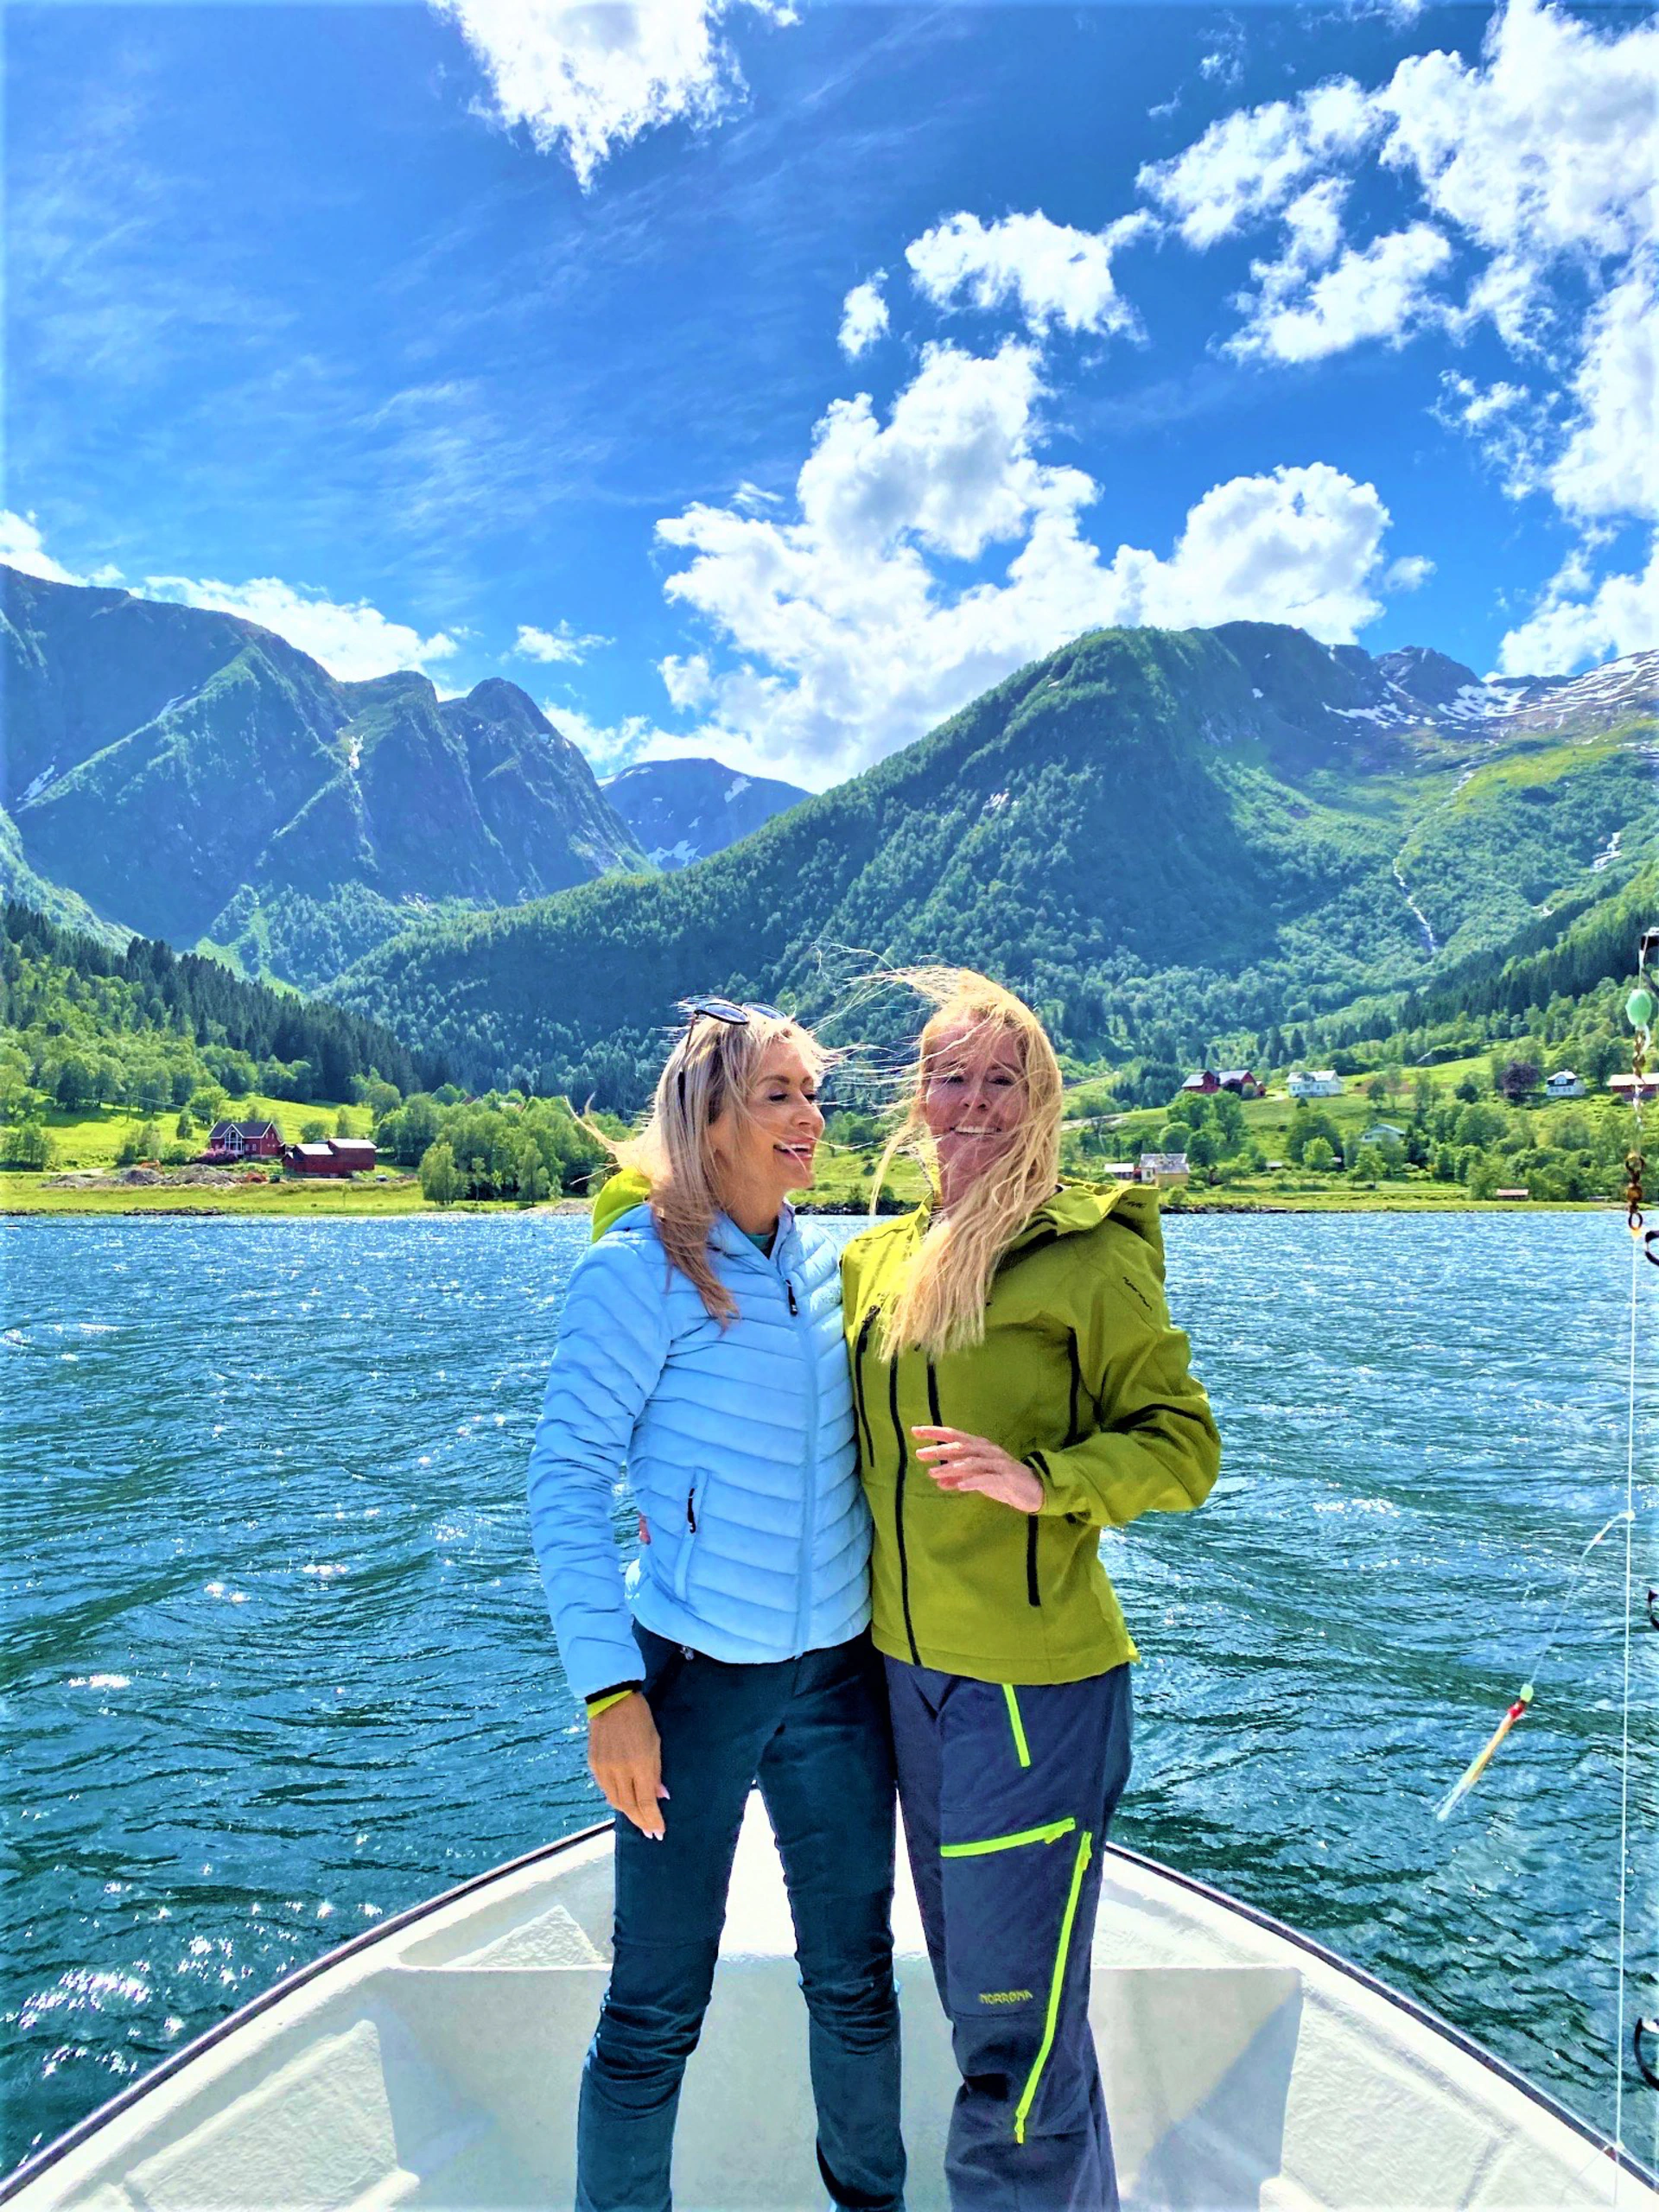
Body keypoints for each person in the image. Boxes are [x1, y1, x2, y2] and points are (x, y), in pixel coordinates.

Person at [841, 969, 1220, 2212]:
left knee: (1009, 2042)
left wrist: (1044, 1478)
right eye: (952, 1075)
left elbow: (1181, 1447)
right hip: (903, 1684)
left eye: (1006, 1080)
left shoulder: (1088, 1254)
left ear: (1042, 1100)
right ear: (918, 1095)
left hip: (1033, 1696)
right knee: (1002, 2012)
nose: (977, 1102)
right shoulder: (874, 1263)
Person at [525, 999, 906, 2212]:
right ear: (714, 1118)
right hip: (687, 1683)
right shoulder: (636, 1272)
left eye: (814, 1094)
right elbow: (566, 1482)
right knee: (654, 2008)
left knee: (856, 1982)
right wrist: (609, 1694)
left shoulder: (833, 1267)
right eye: (781, 1095)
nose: (810, 1118)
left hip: (838, 1683)